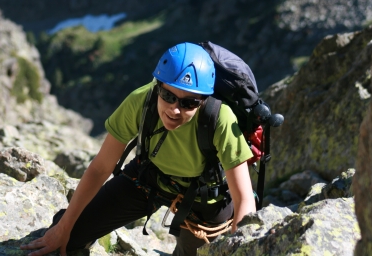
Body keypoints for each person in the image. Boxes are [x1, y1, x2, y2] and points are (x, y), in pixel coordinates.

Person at [20, 42, 256, 256]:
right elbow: (100, 168)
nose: (175, 109)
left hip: (205, 197)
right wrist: (64, 227)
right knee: (68, 236)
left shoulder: (220, 118)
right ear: (158, 87)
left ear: (203, 100)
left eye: (189, 103)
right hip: (148, 178)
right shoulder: (141, 101)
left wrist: (239, 245)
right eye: (168, 95)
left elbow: (244, 198)